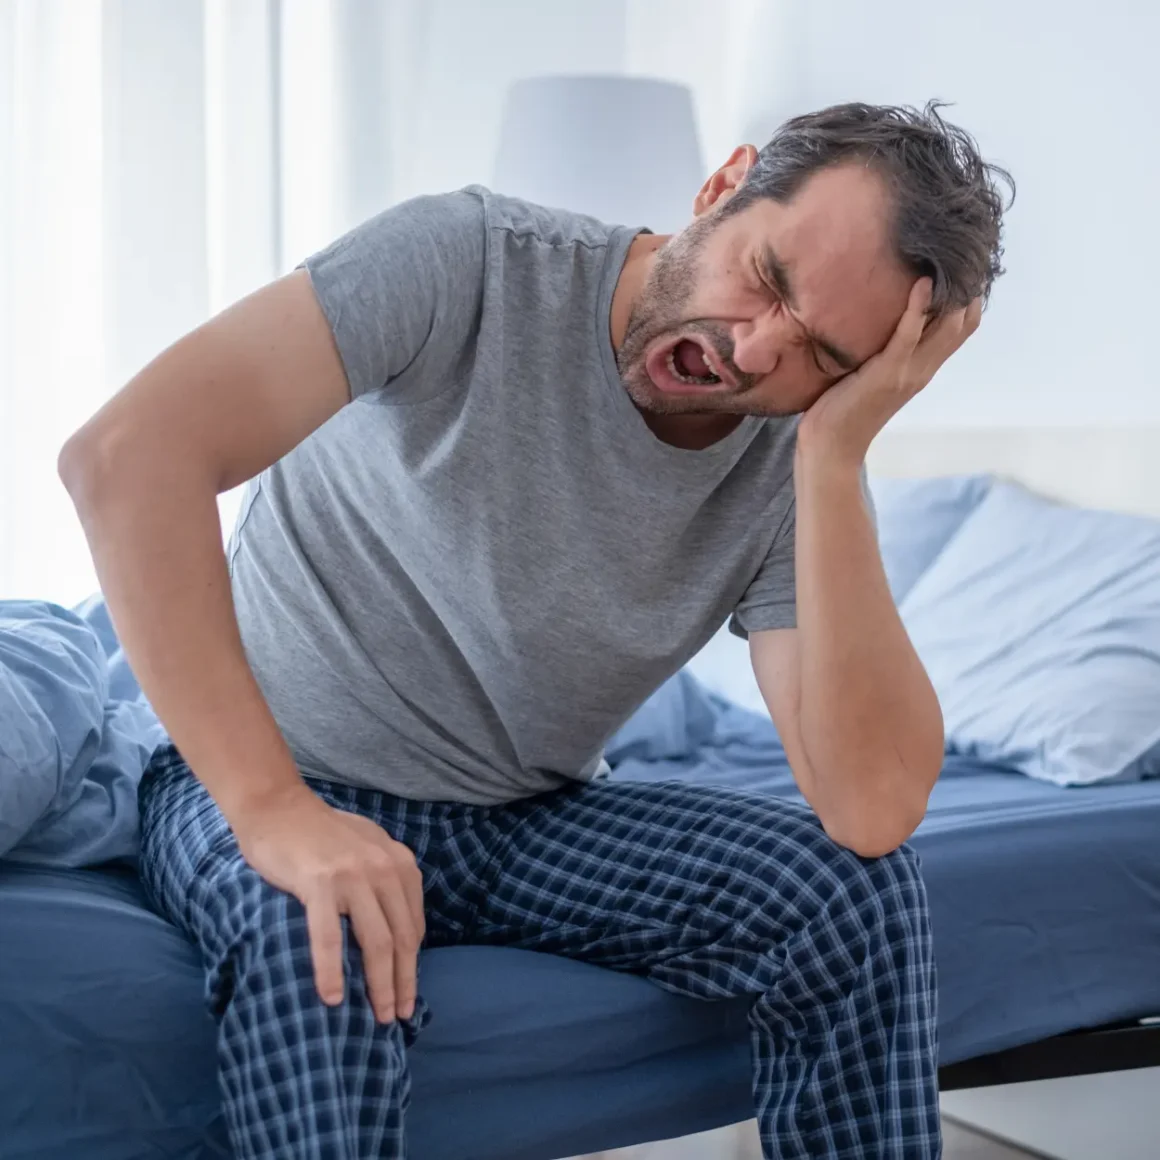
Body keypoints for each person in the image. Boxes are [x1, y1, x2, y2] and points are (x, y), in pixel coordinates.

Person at [60, 100, 1012, 1159]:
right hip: (281, 774)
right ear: (722, 187)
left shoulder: (794, 455)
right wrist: (273, 809)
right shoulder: (465, 262)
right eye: (767, 277)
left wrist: (833, 455)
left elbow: (869, 810)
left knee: (851, 900)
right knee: (313, 933)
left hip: (522, 821)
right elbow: (126, 457)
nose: (750, 350)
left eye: (821, 355)